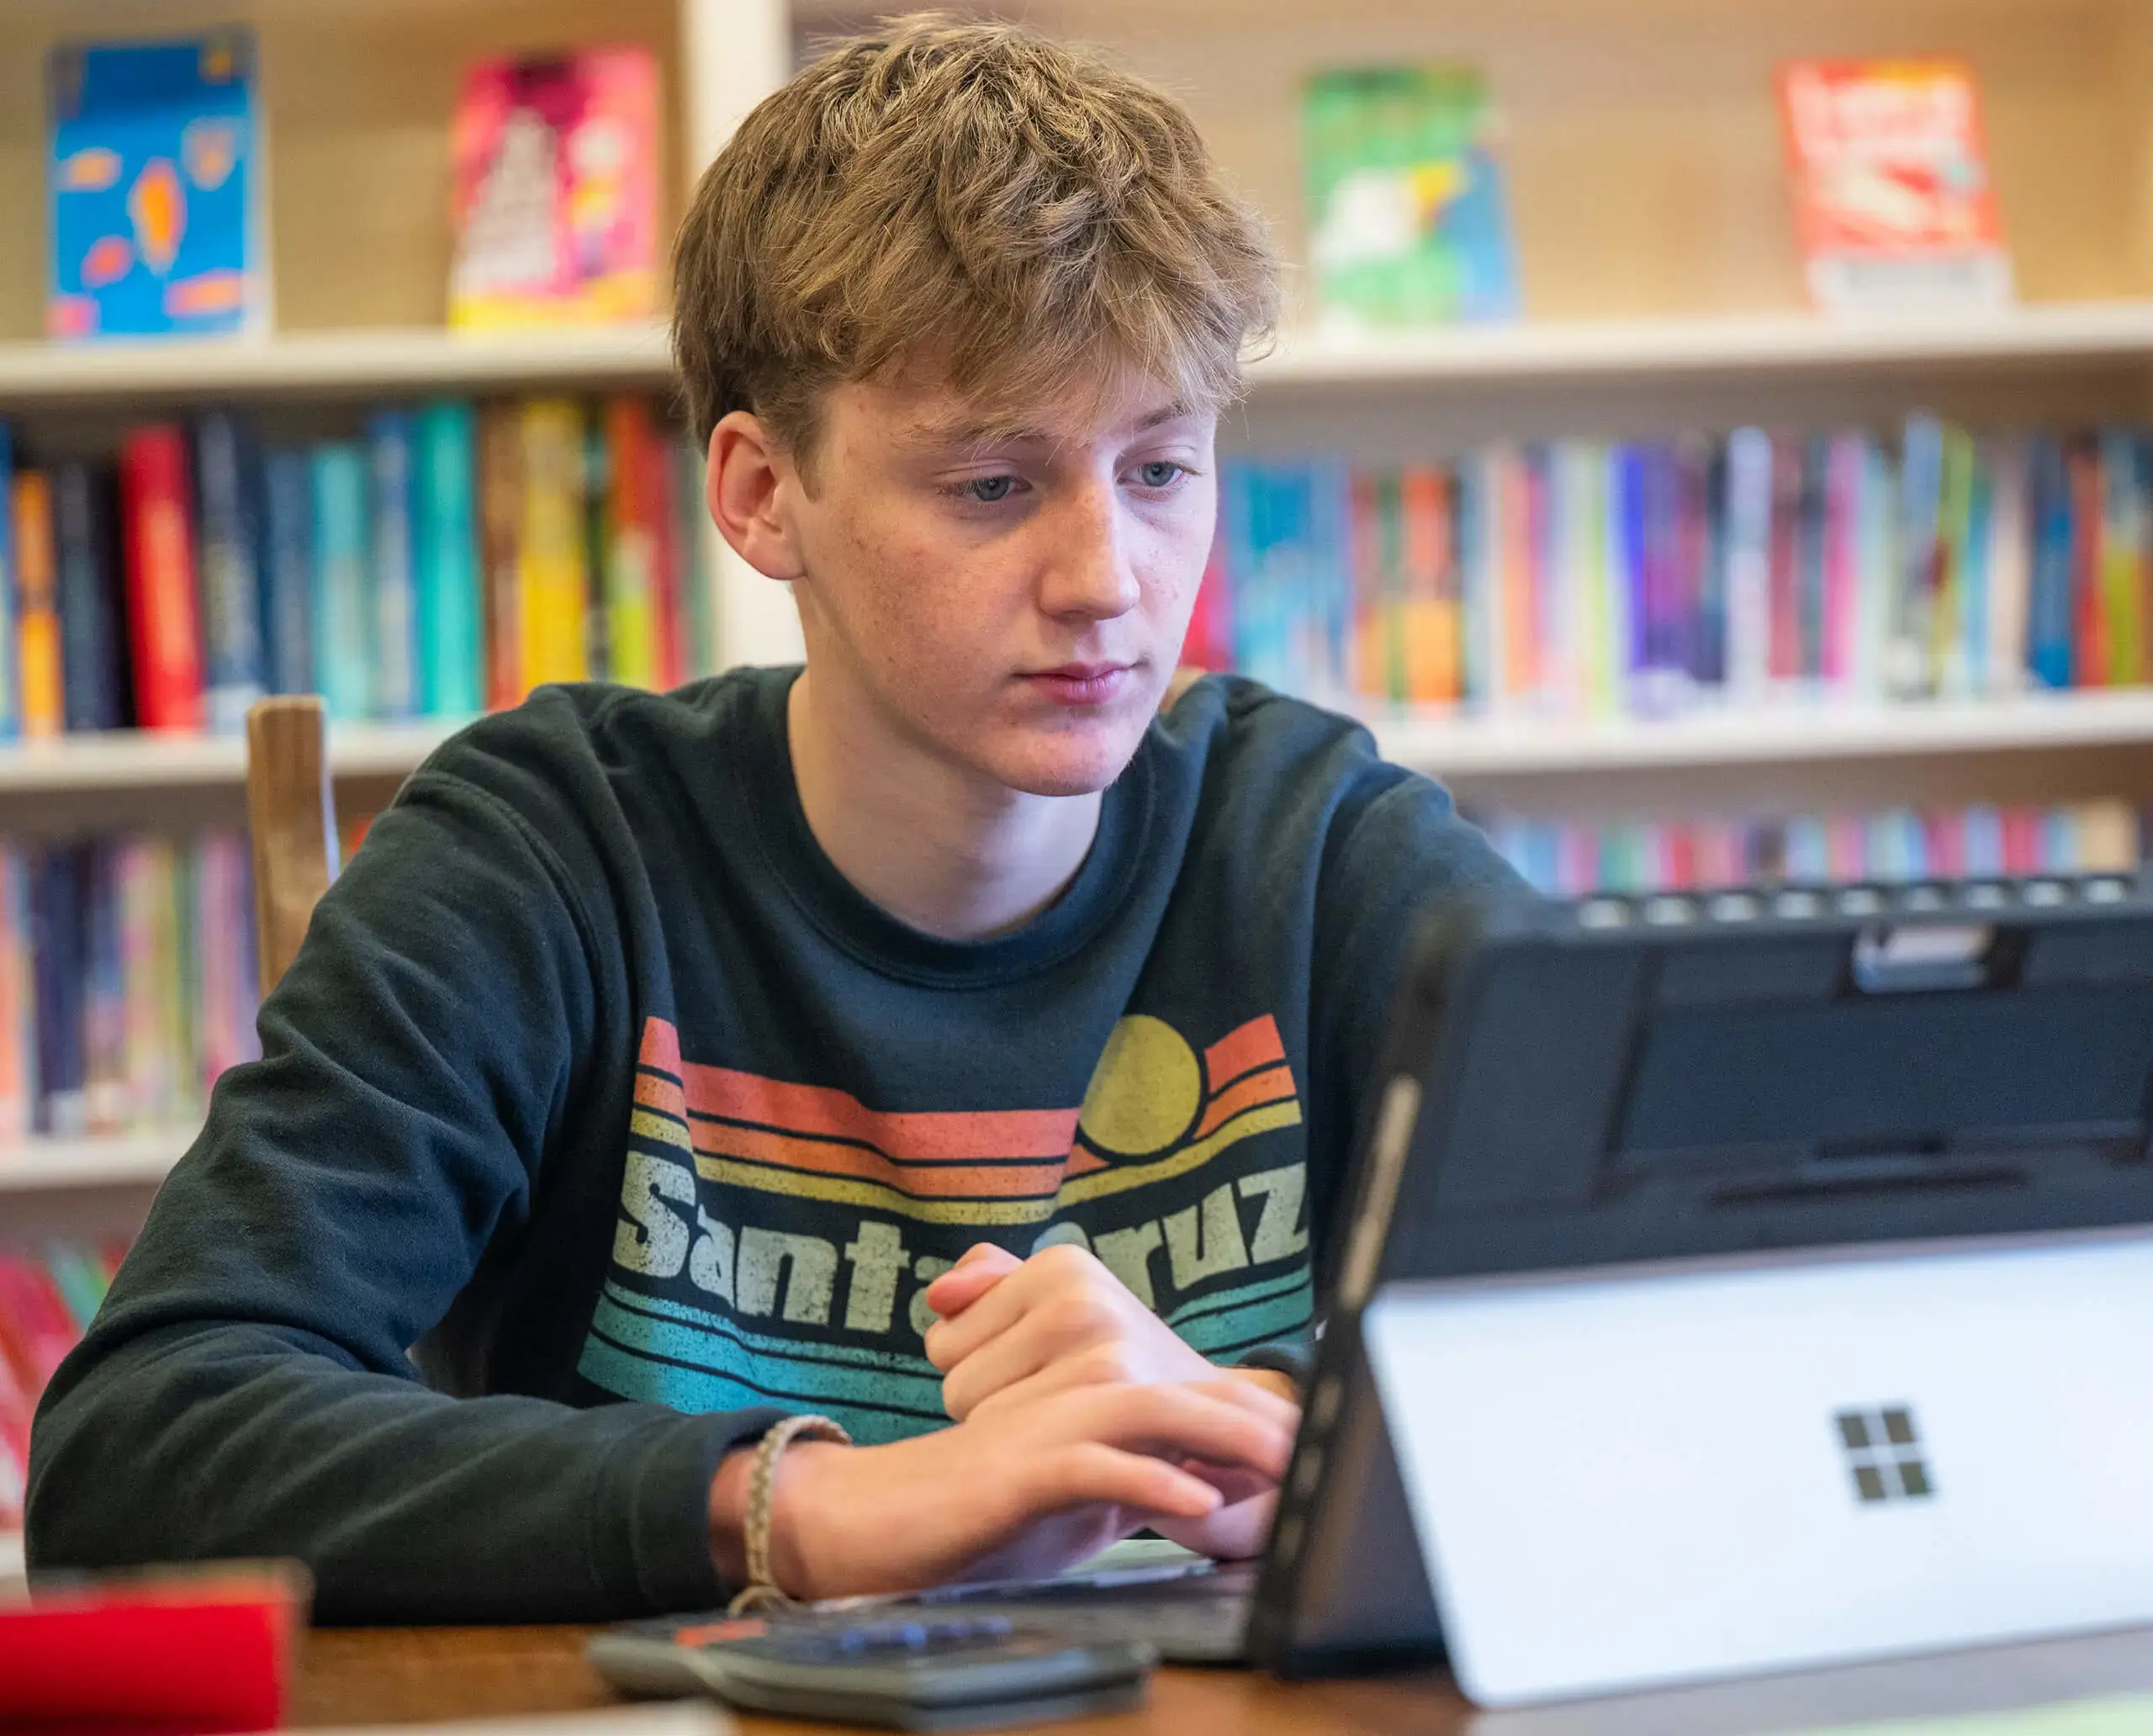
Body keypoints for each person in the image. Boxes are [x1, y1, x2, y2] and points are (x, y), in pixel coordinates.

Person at [27, 14, 1517, 1620]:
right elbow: (136, 1451)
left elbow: (1684, 1325)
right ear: (757, 493)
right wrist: (800, 1505)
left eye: (1159, 471)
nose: (1108, 581)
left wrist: (1279, 1435)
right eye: (993, 485)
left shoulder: (1322, 845)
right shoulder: (549, 854)